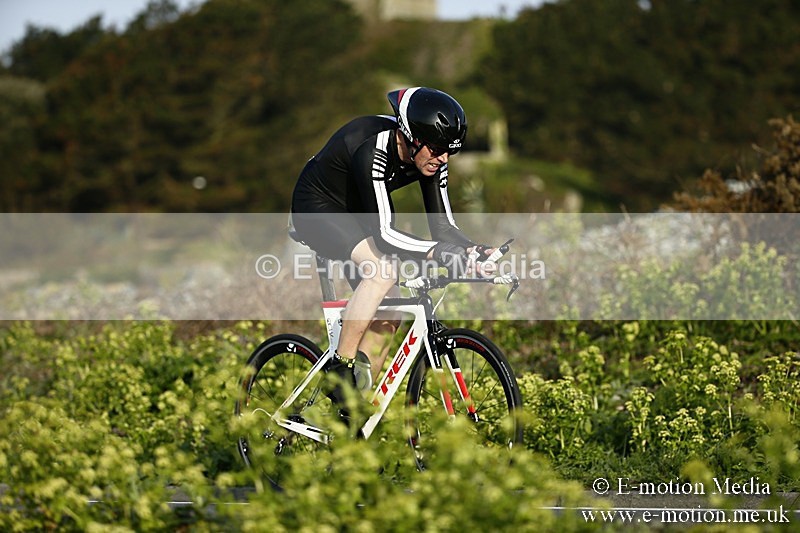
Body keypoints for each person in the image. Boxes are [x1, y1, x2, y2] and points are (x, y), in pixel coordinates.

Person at [290, 87, 496, 414]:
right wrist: (437, 253)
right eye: (438, 150)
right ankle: (339, 371)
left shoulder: (430, 157)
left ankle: (352, 414)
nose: (443, 159)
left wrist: (473, 251)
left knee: (391, 311)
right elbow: (384, 234)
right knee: (383, 270)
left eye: (449, 152)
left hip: (355, 214)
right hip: (317, 207)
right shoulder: (373, 149)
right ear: (412, 138)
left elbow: (443, 227)